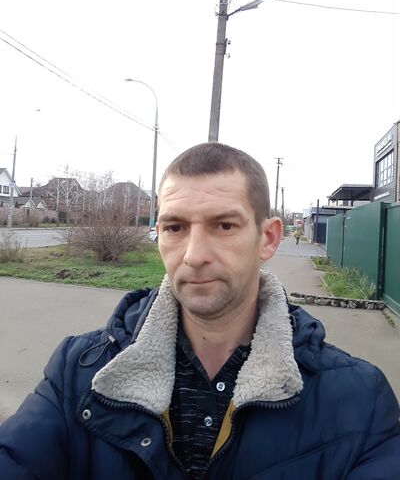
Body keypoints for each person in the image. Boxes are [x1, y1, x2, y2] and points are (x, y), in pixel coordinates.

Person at [0, 142, 399, 480]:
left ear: (268, 238)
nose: (194, 255)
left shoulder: (359, 402)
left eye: (224, 226)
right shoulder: (78, 373)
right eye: (175, 228)